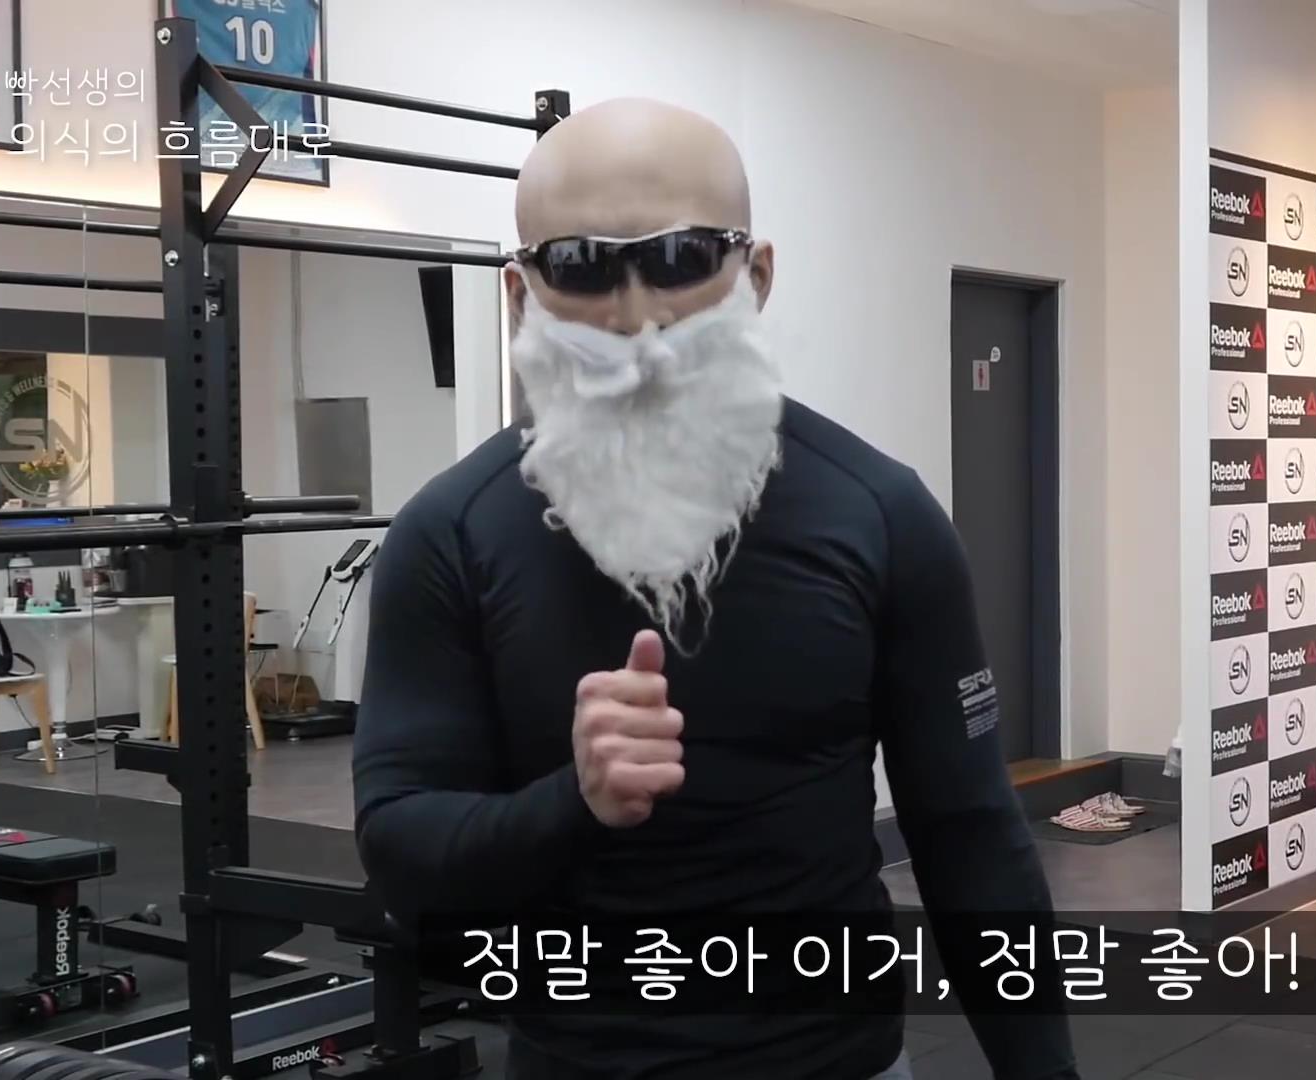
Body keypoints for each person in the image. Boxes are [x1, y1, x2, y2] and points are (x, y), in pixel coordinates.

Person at [352, 97, 1078, 1080]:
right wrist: (574, 801)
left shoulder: (882, 514)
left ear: (756, 275)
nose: (637, 317)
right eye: (582, 267)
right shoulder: (450, 533)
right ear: (522, 294)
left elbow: (972, 839)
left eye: (682, 258)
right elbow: (401, 853)